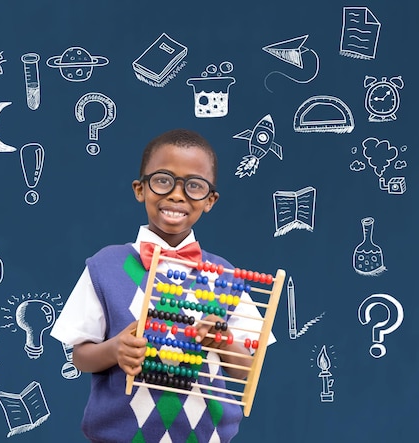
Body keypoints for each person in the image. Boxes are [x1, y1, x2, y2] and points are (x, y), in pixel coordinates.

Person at [51, 129, 274, 443]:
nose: (177, 195)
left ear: (210, 200)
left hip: (207, 436)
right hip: (122, 436)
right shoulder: (105, 266)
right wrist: (115, 349)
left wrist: (223, 342)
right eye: (163, 180)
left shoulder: (225, 275)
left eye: (194, 186)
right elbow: (80, 355)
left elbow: (246, 370)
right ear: (140, 189)